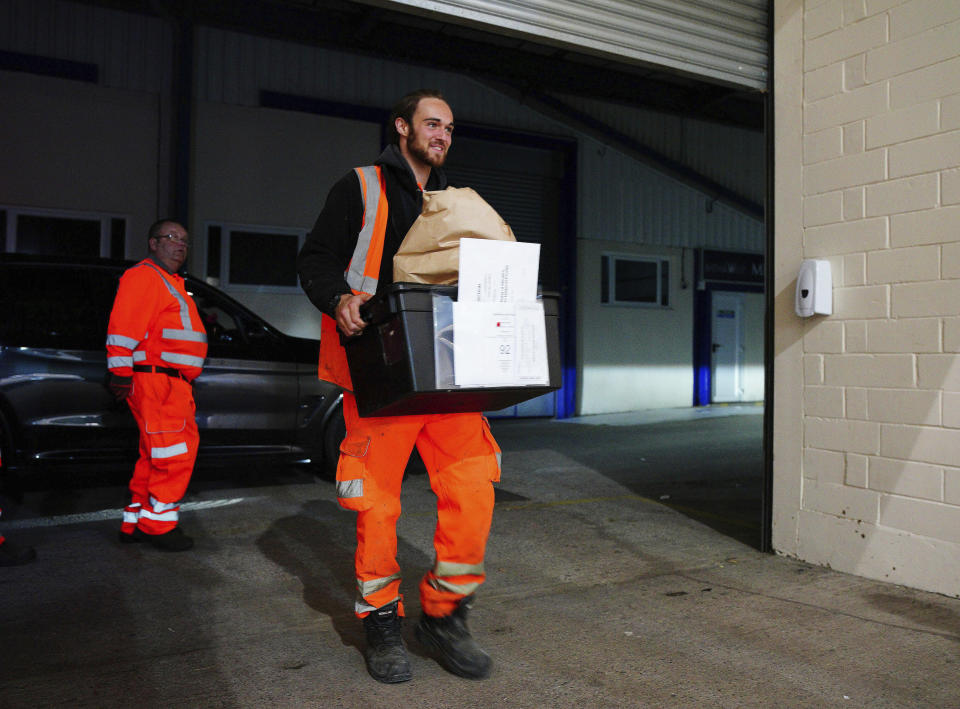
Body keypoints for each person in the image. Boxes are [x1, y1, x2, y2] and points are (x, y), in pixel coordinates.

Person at [297, 89, 502, 683]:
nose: (441, 135)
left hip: (448, 370)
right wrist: (339, 299)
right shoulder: (360, 187)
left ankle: (443, 616)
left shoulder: (458, 204)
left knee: (473, 484)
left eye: (449, 128)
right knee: (377, 503)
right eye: (432, 123)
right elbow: (315, 258)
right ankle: (381, 620)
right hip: (380, 370)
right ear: (402, 127)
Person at [106, 220, 207, 552]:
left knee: (155, 455)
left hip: (165, 381)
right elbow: (123, 328)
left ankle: (135, 521)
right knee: (173, 456)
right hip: (159, 381)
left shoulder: (169, 282)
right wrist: (119, 372)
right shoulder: (146, 276)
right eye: (171, 238)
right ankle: (158, 527)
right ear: (153, 243)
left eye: (185, 241)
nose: (180, 245)